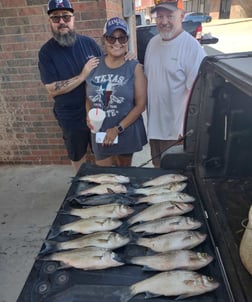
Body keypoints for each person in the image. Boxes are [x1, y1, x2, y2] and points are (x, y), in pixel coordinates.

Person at [38, 1, 134, 173]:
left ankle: (105, 184)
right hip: (71, 116)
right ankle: (81, 187)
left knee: (103, 152)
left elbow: (107, 64)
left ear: (73, 19)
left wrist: (125, 56)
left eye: (66, 17)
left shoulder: (88, 43)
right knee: (78, 155)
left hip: (98, 110)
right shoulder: (46, 52)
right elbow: (52, 89)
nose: (61, 21)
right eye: (56, 17)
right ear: (50, 22)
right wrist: (83, 75)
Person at [144, 0, 206, 167]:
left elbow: (199, 96)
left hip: (176, 134)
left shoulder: (192, 48)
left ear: (182, 15)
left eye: (170, 15)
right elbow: (149, 81)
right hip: (155, 130)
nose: (164, 21)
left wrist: (186, 130)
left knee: (174, 181)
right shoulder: (152, 43)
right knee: (158, 174)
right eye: (160, 16)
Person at [85, 17, 147, 167]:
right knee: (105, 177)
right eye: (111, 38)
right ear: (105, 39)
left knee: (123, 176)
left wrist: (118, 129)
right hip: (100, 131)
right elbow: (88, 97)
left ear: (127, 39)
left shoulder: (134, 67)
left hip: (125, 131)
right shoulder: (93, 65)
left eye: (122, 38)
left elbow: (141, 105)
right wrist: (89, 115)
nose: (117, 43)